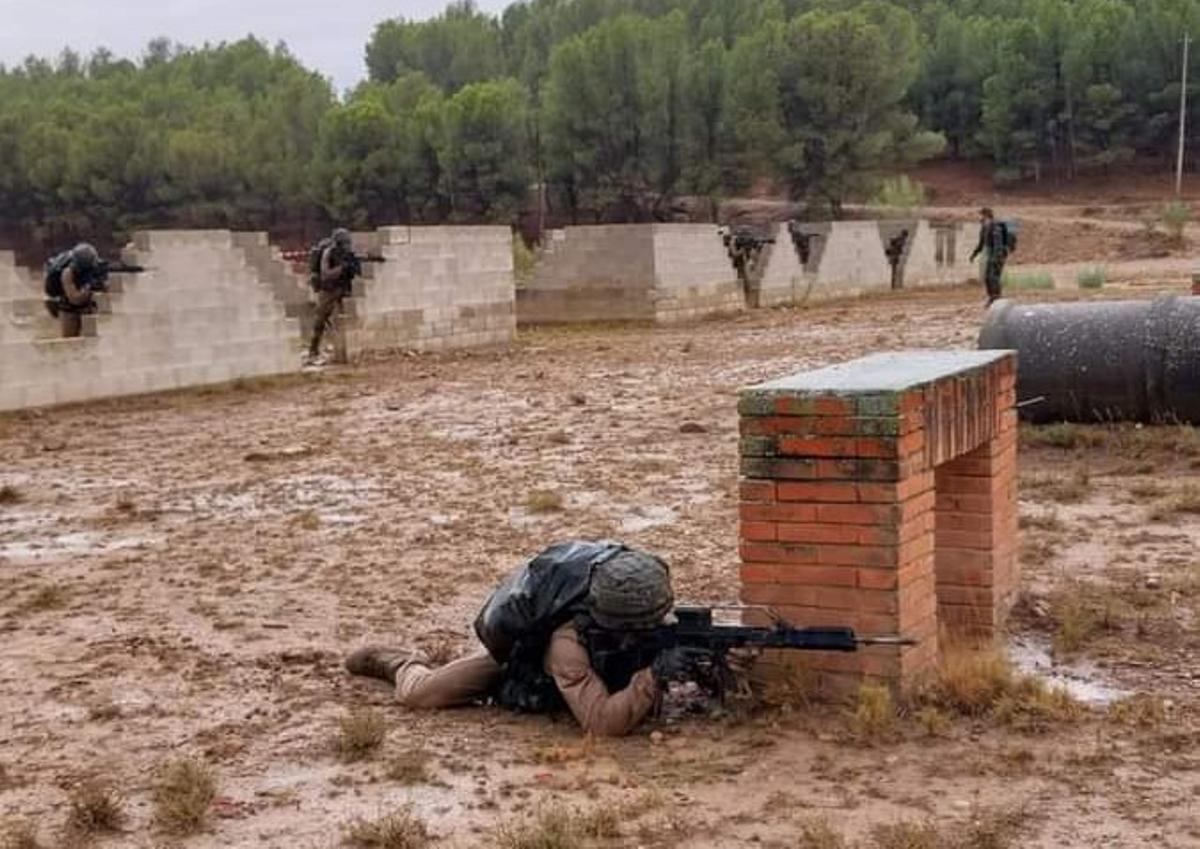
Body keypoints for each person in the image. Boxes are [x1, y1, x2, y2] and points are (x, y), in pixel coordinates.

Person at [344, 540, 696, 737]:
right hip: (521, 662)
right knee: (421, 695)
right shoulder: (567, 644)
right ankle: (402, 661)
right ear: (616, 623)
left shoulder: (645, 607)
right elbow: (601, 723)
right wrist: (652, 678)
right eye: (639, 629)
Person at [306, 227, 359, 365]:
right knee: (320, 320)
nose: (348, 246)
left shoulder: (346, 254)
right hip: (328, 289)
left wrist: (352, 266)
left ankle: (341, 350)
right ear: (339, 243)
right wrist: (342, 268)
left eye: (348, 243)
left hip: (341, 288)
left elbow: (355, 266)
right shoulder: (328, 253)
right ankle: (313, 349)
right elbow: (326, 274)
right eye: (345, 243)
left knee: (343, 318)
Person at [44, 243, 104, 338]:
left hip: (87, 306)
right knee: (70, 341)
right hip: (68, 307)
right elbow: (74, 298)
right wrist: (88, 289)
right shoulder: (67, 273)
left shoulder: (96, 268)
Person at [970, 208, 1012, 306]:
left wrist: (997, 256)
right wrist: (974, 254)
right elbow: (981, 244)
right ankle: (992, 297)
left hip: (998, 254)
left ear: (986, 215)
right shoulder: (984, 227)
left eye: (980, 215)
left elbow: (998, 242)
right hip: (992, 254)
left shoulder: (994, 226)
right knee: (987, 277)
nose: (979, 218)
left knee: (993, 277)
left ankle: (997, 298)